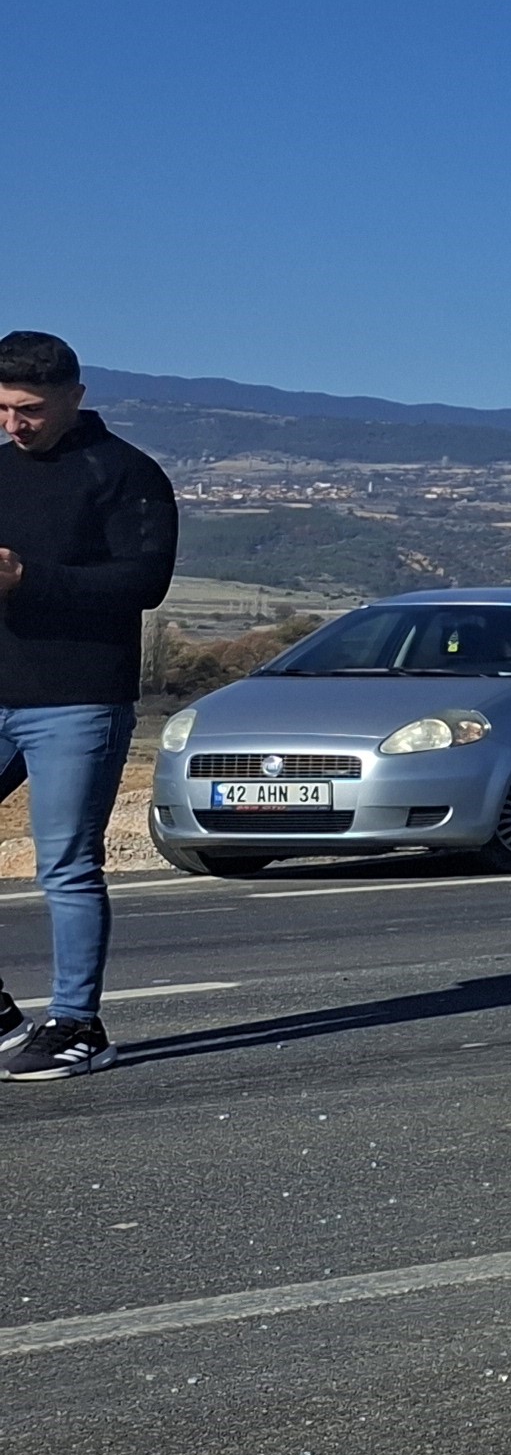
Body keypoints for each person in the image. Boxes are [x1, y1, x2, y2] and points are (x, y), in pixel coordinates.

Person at [0, 332, 181, 1083]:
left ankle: (78, 1022)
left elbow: (142, 582)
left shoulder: (126, 474)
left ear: (75, 396)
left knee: (65, 866)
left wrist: (27, 579)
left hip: (76, 699)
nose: (17, 424)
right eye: (5, 409)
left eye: (32, 409)